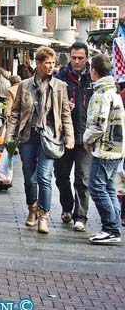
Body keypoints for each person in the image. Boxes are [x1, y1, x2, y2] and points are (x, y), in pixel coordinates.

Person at [6, 46, 74, 235]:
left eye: (53, 63)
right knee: (29, 177)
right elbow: (16, 113)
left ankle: (44, 215)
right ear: (38, 64)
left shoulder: (60, 86)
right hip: (28, 135)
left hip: (50, 135)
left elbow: (65, 114)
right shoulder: (25, 85)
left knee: (44, 176)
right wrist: (9, 136)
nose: (51, 66)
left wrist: (69, 137)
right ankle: (32, 208)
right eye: (47, 63)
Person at [83, 54, 125, 245]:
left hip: (105, 149)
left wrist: (86, 139)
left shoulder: (101, 94)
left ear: (93, 70)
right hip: (117, 148)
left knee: (97, 187)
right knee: (108, 187)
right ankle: (113, 226)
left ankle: (110, 228)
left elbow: (98, 124)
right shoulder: (114, 92)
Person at [53, 42, 94, 232]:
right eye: (74, 57)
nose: (77, 61)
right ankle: (67, 207)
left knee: (82, 178)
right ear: (70, 57)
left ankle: (81, 216)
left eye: (81, 58)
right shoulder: (60, 77)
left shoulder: (92, 79)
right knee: (61, 176)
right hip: (63, 136)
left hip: (85, 138)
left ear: (86, 58)